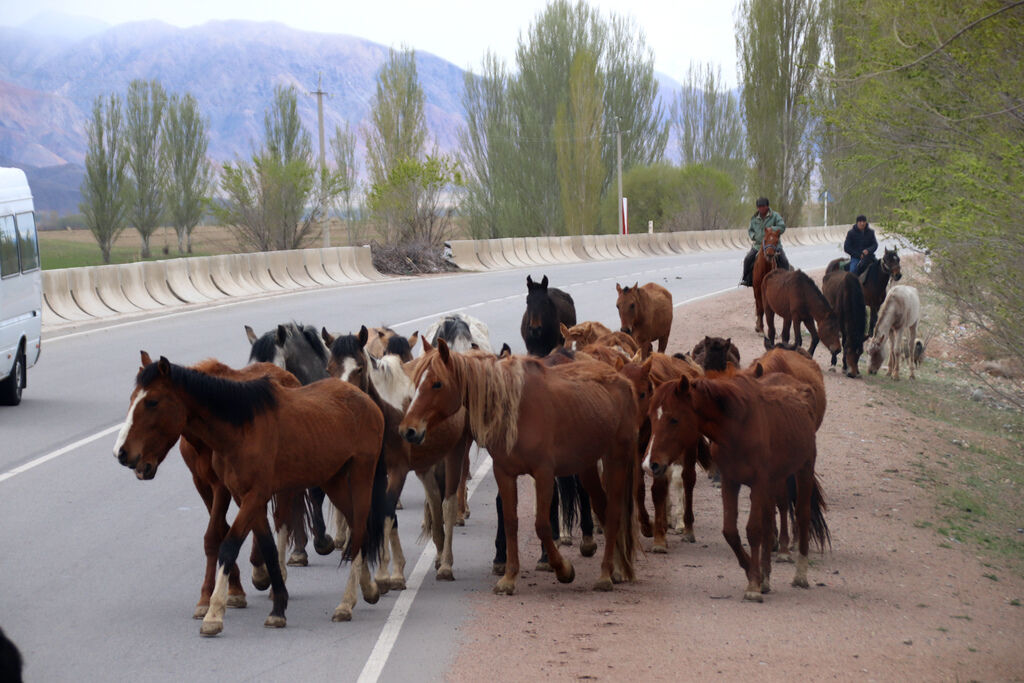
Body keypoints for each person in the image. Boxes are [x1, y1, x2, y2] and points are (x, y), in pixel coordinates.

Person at [739, 197, 791, 287]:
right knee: (747, 259)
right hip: (758, 245)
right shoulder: (754, 218)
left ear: (767, 207)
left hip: (773, 245)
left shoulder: (775, 216)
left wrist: (773, 229)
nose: (761, 209)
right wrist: (753, 236)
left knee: (784, 260)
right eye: (759, 207)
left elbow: (782, 227)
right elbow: (750, 230)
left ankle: (786, 279)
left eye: (763, 206)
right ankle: (746, 279)